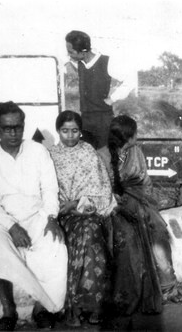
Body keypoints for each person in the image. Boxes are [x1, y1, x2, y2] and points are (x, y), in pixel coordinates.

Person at [0, 101, 67, 331]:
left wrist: (51, 217)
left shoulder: (38, 151)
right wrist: (12, 226)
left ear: (23, 125)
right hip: (1, 220)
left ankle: (42, 308)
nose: (14, 132)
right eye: (7, 128)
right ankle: (9, 311)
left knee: (54, 245)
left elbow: (49, 189)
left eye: (18, 126)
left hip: (37, 215)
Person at [98, 115, 182, 319]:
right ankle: (129, 295)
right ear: (128, 137)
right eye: (135, 133)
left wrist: (147, 204)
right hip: (115, 207)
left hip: (141, 203)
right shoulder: (101, 156)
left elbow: (145, 181)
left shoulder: (136, 152)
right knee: (126, 240)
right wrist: (119, 204)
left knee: (159, 232)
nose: (137, 137)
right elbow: (100, 188)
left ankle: (168, 287)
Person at [49, 110, 117, 327]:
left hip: (87, 212)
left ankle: (92, 306)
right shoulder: (50, 155)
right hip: (61, 214)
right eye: (65, 131)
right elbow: (45, 190)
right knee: (85, 235)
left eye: (74, 131)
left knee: (90, 235)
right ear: (58, 131)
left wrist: (77, 204)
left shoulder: (88, 152)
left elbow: (100, 188)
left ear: (80, 131)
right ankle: (77, 307)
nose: (70, 136)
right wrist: (64, 207)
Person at [65, 30, 135, 149]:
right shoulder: (79, 63)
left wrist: (112, 99)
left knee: (105, 157)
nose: (68, 55)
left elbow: (131, 81)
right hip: (85, 120)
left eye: (71, 52)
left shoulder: (107, 62)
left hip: (103, 121)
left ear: (83, 52)